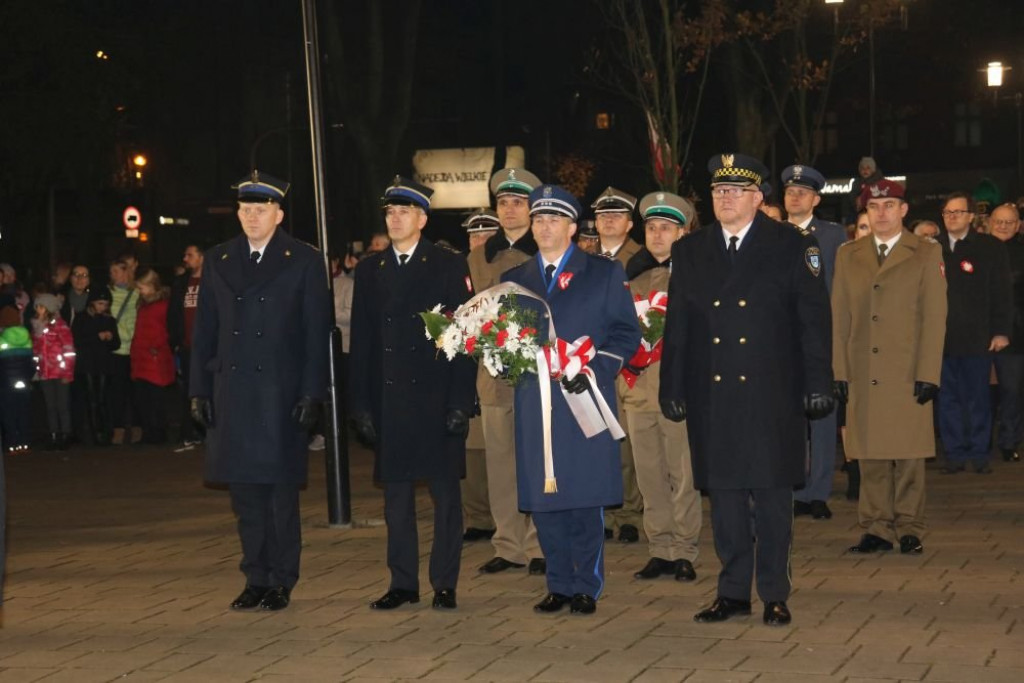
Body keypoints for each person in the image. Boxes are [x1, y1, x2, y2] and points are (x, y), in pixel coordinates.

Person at [660, 153, 834, 627]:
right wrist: (671, 384)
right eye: (718, 192)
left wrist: (819, 383)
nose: (725, 199)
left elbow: (813, 323)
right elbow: (678, 325)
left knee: (773, 497)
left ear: (758, 198)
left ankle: (775, 591)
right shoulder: (690, 250)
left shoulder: (792, 244)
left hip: (772, 391)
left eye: (735, 191)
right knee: (726, 497)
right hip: (712, 393)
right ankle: (733, 591)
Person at [189, 170, 330, 612]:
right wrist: (198, 390)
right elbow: (205, 330)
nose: (251, 217)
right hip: (234, 391)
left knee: (279, 494)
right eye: (245, 209)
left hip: (279, 392)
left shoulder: (303, 259)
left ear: (279, 214)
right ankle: (255, 576)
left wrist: (312, 394)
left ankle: (282, 579)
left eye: (261, 209)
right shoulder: (219, 259)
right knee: (245, 495)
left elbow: (314, 334)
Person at [501, 184, 640, 615]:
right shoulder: (516, 279)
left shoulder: (603, 272)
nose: (544, 227)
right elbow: (504, 342)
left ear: (573, 227)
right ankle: (557, 583)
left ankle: (586, 584)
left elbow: (625, 333)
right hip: (535, 404)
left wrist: (593, 366)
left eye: (553, 220)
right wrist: (503, 358)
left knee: (584, 495)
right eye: (539, 219)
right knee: (544, 503)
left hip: (584, 399)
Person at [349, 176, 476, 611]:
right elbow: (362, 342)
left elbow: (462, 338)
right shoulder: (370, 270)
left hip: (436, 398)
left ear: (422, 219)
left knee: (445, 499)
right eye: (390, 212)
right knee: (397, 499)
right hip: (390, 400)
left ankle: (445, 582)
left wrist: (461, 401)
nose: (395, 218)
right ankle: (402, 582)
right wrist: (360, 404)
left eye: (404, 212)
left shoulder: (447, 265)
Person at [834, 179, 947, 555]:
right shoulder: (848, 254)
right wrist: (840, 370)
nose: (881, 213)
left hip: (906, 366)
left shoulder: (925, 253)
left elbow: (935, 317)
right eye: (873, 207)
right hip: (864, 366)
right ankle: (876, 527)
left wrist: (929, 372)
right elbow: (840, 317)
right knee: (869, 453)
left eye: (888, 206)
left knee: (910, 453)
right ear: (865, 212)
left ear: (903, 210)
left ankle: (910, 526)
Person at [622, 191, 702, 583]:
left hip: (678, 391)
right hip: (637, 389)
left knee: (682, 473)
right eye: (651, 228)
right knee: (649, 475)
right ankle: (660, 549)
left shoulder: (695, 273)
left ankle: (686, 548)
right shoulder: (629, 275)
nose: (656, 235)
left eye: (666, 228)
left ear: (682, 232)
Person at [471, 168, 546, 575]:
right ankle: (508, 545)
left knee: (537, 459)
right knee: (500, 463)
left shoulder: (544, 249)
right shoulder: (479, 255)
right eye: (503, 202)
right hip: (494, 375)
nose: (510, 210)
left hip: (537, 372)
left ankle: (539, 545)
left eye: (518, 202)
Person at [781, 164, 846, 521]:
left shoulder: (834, 236)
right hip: (783, 337)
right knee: (788, 417)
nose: (795, 197)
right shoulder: (771, 233)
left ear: (816, 199)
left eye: (803, 193)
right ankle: (793, 488)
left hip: (821, 335)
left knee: (822, 417)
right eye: (790, 192)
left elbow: (840, 286)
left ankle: (817, 492)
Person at [936, 191, 1012, 474]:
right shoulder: (932, 247)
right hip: (941, 339)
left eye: (957, 212)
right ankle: (954, 453)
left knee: (978, 398)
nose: (952, 218)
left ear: (970, 216)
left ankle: (980, 452)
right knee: (948, 399)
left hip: (978, 338)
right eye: (947, 213)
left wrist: (1001, 331)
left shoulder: (989, 248)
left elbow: (1002, 293)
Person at [591, 186, 644, 544]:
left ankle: (628, 514)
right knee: (599, 442)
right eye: (603, 215)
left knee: (626, 446)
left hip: (631, 363)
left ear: (628, 223)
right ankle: (604, 513)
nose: (609, 220)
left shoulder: (643, 257)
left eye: (616, 215)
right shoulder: (582, 258)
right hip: (588, 363)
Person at [459, 208, 499, 543]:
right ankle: (478, 517)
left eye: (486, 235)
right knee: (471, 448)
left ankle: (503, 516)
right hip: (467, 366)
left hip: (499, 364)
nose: (479, 241)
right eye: (474, 235)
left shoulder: (508, 265)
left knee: (498, 448)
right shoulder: (460, 267)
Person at [987, 203, 1024, 463]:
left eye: (1009, 222)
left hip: (1016, 334)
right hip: (978, 333)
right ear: (989, 222)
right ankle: (980, 442)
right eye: (999, 221)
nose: (1003, 225)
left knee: (1012, 392)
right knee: (980, 395)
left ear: (1018, 225)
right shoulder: (975, 249)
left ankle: (1009, 441)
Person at [130, 267, 175, 445]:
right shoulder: (143, 304)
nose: (139, 291)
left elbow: (167, 329)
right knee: (144, 399)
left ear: (152, 286)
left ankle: (158, 433)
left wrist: (155, 345)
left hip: (154, 357)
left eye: (142, 287)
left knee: (155, 399)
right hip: (141, 356)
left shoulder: (163, 305)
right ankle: (149, 433)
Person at [71, 288, 120, 446]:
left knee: (104, 399)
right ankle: (94, 434)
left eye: (105, 304)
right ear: (92, 303)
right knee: (92, 399)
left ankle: (106, 432)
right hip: (87, 365)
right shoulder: (81, 318)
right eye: (100, 303)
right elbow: (77, 340)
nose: (102, 307)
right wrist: (97, 337)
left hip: (104, 365)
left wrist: (110, 337)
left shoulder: (109, 320)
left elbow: (116, 344)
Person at [168, 244, 205, 448]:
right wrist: (176, 341)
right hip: (188, 347)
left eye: (189, 255)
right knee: (189, 391)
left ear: (201, 257)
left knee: (210, 391)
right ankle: (190, 433)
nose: (185, 259)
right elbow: (173, 314)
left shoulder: (214, 282)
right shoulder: (181, 283)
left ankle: (210, 432)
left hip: (209, 348)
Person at [32, 293, 76, 451]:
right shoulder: (38, 327)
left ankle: (66, 434)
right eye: (37, 306)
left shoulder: (60, 326)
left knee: (62, 405)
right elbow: (37, 351)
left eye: (41, 306)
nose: (38, 309)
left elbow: (69, 350)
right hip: (45, 373)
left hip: (60, 372)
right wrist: (37, 370)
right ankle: (54, 434)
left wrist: (68, 372)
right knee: (50, 406)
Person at [107, 257, 138, 445]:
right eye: (111, 272)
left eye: (117, 271)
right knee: (116, 393)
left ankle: (136, 427)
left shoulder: (136, 293)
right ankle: (117, 428)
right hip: (115, 350)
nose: (114, 276)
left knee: (134, 392)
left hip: (134, 350)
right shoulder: (106, 293)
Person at [0, 321, 35, 454]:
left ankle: (12, 443)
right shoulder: (27, 341)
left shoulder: (1, 341)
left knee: (8, 413)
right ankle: (24, 442)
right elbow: (32, 365)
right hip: (23, 382)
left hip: (5, 384)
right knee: (23, 411)